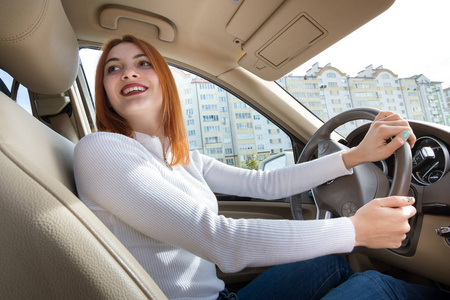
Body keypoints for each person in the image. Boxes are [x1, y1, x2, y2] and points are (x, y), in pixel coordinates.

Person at [73, 35, 450, 300]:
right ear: (104, 91)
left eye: (143, 64)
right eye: (113, 68)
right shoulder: (101, 150)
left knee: (331, 260)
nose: (128, 73)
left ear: (163, 81)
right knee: (375, 289)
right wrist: (356, 229)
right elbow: (222, 240)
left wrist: (356, 155)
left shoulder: (178, 154)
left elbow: (267, 182)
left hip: (221, 296)